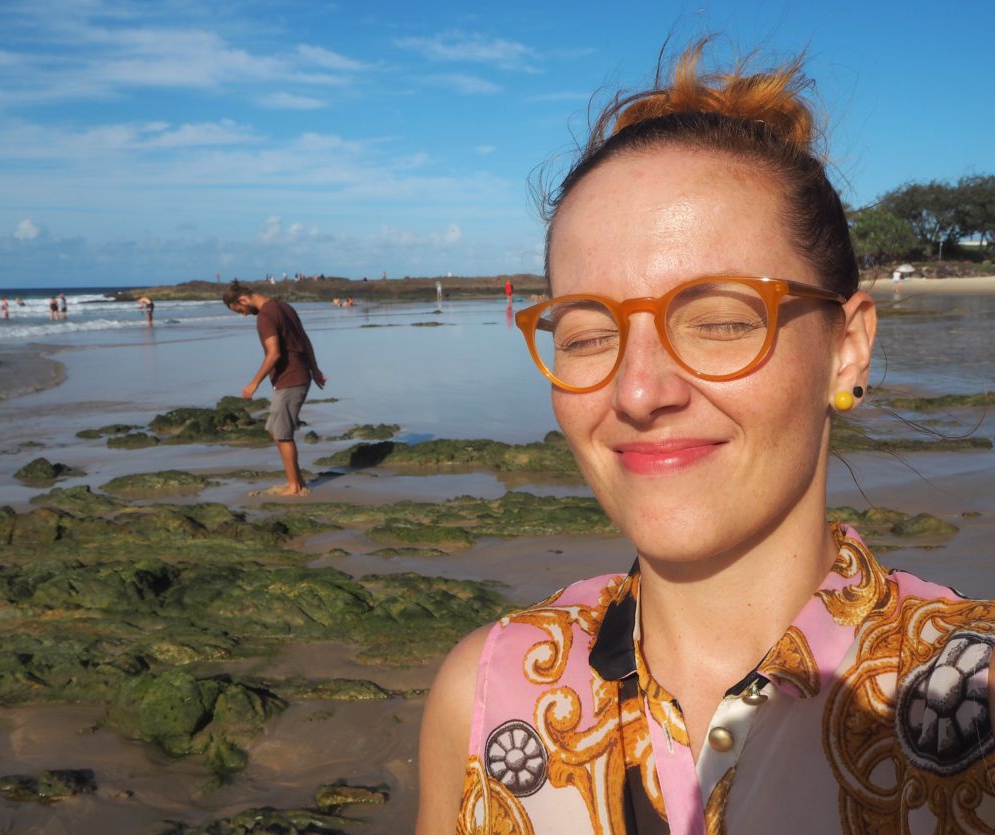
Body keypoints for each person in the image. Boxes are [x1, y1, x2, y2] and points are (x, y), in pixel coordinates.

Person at [417, 43, 995, 834]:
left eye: (720, 322)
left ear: (848, 346)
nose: (638, 390)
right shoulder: (488, 691)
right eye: (587, 335)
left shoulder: (974, 697)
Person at [222, 280, 327, 496]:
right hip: (298, 375)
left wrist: (254, 382)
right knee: (274, 429)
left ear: (243, 300)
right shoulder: (284, 307)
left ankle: (294, 486)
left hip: (290, 379)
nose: (242, 314)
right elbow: (304, 340)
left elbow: (274, 353)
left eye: (239, 310)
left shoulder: (265, 316)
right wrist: (314, 369)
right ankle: (297, 481)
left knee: (282, 435)